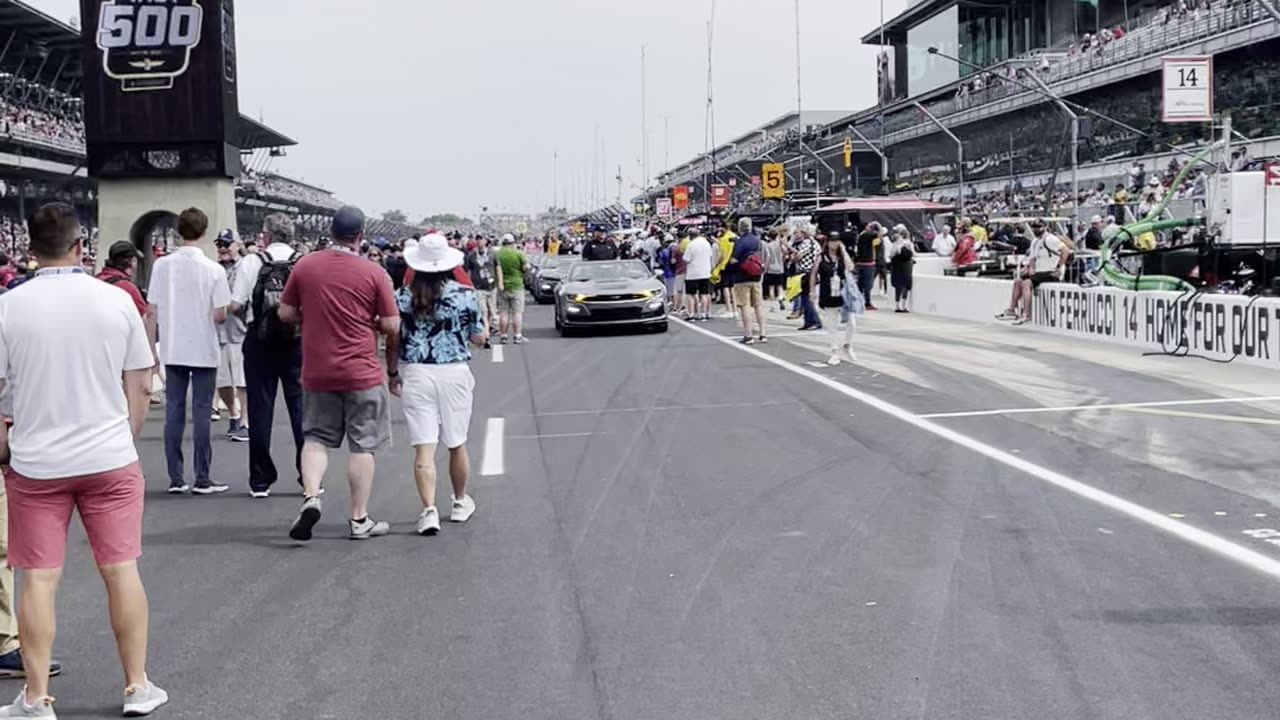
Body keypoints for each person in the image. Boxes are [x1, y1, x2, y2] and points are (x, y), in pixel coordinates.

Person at [0, 202, 166, 717]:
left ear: (30, 249)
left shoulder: (8, 307)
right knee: (121, 571)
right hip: (108, 454)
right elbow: (140, 379)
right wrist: (129, 432)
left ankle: (35, 696)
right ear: (81, 246)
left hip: (36, 461)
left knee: (39, 578)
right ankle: (137, 685)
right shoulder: (115, 301)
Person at [280, 206, 398, 541]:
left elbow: (286, 312)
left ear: (330, 232)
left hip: (318, 369)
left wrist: (314, 316)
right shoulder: (373, 272)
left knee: (316, 438)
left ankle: (312, 496)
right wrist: (369, 321)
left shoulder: (306, 265)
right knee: (362, 445)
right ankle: (359, 519)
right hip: (361, 369)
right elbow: (391, 325)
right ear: (360, 236)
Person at [386, 235, 485, 536]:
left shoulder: (401, 296)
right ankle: (458, 502)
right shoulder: (465, 295)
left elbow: (392, 339)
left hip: (416, 372)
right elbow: (478, 338)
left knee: (424, 447)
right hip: (453, 372)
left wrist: (392, 372)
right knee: (456, 442)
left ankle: (428, 510)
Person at [147, 207, 231, 495]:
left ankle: (176, 477)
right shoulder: (215, 270)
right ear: (204, 232)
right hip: (204, 346)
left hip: (173, 345)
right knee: (202, 412)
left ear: (177, 231)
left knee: (174, 411)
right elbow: (220, 314)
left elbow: (151, 309)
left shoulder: (161, 266)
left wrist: (150, 347)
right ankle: (203, 477)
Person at [231, 214, 304, 498]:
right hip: (297, 340)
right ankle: (308, 475)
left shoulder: (252, 262)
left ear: (267, 235)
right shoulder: (303, 262)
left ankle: (260, 479)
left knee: (261, 408)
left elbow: (236, 304)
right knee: (300, 409)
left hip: (259, 341)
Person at [214, 230, 249, 443]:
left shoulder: (245, 267)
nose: (223, 247)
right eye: (219, 244)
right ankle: (234, 415)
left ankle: (246, 422)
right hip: (219, 332)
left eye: (227, 243)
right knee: (223, 381)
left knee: (243, 381)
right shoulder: (216, 269)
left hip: (241, 331)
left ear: (237, 245)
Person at [817, 232, 858, 365]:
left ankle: (847, 345)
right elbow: (814, 273)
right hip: (828, 293)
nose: (835, 243)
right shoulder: (821, 257)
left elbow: (851, 267)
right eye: (832, 241)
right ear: (827, 242)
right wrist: (812, 290)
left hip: (843, 294)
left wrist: (844, 251)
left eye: (837, 241)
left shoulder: (842, 257)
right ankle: (835, 351)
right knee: (832, 324)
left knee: (851, 322)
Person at [728, 217, 766, 344]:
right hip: (756, 275)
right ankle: (763, 333)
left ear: (739, 228)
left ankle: (748, 335)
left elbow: (733, 260)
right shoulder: (758, 241)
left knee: (745, 306)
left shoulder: (740, 242)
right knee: (758, 305)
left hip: (741, 277)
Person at [463, 235, 499, 350]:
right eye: (477, 239)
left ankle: (487, 329)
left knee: (489, 312)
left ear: (486, 241)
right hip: (478, 288)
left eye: (481, 239)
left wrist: (500, 282)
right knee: (483, 312)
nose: (479, 242)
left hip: (491, 287)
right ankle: (487, 337)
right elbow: (468, 272)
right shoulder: (471, 256)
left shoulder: (492, 254)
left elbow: (497, 268)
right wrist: (469, 286)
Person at [494, 234, 528, 345]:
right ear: (513, 243)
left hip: (502, 286)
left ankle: (503, 336)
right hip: (516, 286)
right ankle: (517, 336)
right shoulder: (518, 253)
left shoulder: (497, 254)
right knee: (517, 313)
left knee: (503, 313)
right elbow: (526, 267)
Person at [682, 228, 713, 322]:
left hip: (693, 273)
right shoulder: (706, 243)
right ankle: (704, 314)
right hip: (705, 272)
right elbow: (710, 256)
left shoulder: (690, 245)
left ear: (690, 235)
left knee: (691, 294)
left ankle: (691, 314)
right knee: (704, 293)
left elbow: (686, 259)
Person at [794, 227, 822, 331]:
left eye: (800, 231)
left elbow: (798, 256)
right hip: (812, 272)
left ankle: (815, 321)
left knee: (806, 299)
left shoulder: (806, 243)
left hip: (805, 272)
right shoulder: (816, 243)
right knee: (805, 298)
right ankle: (808, 321)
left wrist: (791, 251)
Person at [853, 223, 879, 311]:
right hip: (868, 264)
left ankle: (859, 302)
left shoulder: (861, 236)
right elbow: (878, 234)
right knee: (868, 285)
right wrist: (877, 225)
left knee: (860, 284)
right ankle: (867, 303)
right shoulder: (866, 235)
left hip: (861, 263)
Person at [889, 227, 915, 312]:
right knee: (906, 286)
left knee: (898, 286)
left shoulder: (896, 244)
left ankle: (897, 305)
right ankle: (904, 305)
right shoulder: (909, 244)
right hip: (907, 266)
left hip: (898, 267)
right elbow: (913, 253)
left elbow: (892, 254)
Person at [762, 229, 786, 305]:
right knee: (780, 286)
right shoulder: (780, 245)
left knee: (771, 287)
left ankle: (772, 303)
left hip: (771, 268)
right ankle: (780, 300)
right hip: (780, 268)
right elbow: (785, 253)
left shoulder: (768, 245)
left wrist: (765, 269)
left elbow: (767, 257)